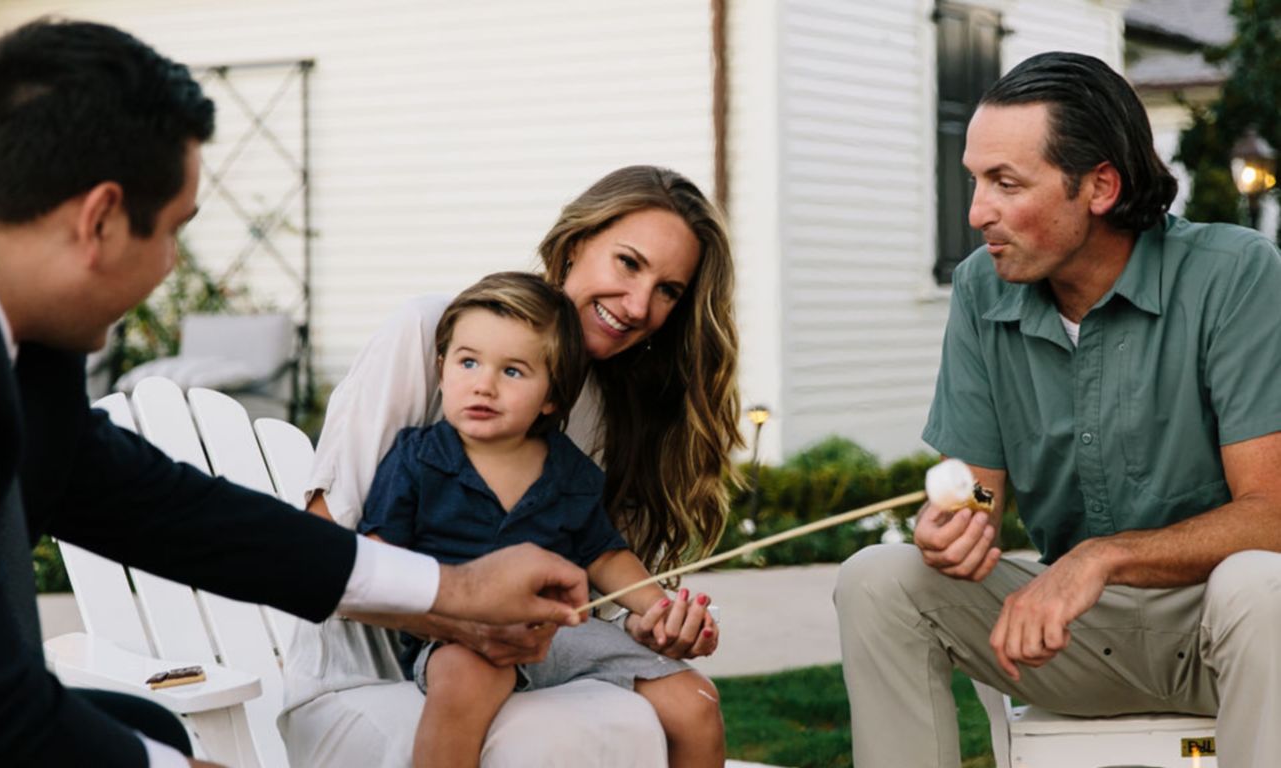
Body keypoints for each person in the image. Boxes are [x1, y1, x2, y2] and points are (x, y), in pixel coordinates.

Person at [0, 19, 594, 768]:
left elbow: (162, 508)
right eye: (174, 232)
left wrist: (450, 588)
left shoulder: (19, 337)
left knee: (152, 727)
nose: (171, 265)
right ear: (100, 220)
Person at [835, 51, 1281, 768]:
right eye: (975, 181)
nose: (978, 211)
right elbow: (978, 484)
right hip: (1064, 637)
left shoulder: (1236, 275)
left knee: (1261, 582)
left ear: (1100, 185)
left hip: (1228, 635)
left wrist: (1102, 559)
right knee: (879, 580)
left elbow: (1273, 512)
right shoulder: (983, 289)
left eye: (1005, 183)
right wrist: (964, 518)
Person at [281, 165, 742, 766]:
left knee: (690, 700)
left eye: (668, 290)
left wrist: (651, 619)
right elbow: (318, 558)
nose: (637, 305)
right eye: (628, 263)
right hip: (366, 673)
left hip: (540, 649)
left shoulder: (603, 413)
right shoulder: (434, 334)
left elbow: (590, 573)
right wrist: (466, 616)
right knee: (534, 725)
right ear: (576, 244)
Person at [360, 272, 722, 767]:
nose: (483, 385)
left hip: (565, 633)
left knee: (696, 702)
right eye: (468, 362)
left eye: (513, 372)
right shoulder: (418, 460)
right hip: (465, 634)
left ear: (552, 395)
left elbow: (605, 553)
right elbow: (379, 557)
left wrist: (657, 609)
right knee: (465, 680)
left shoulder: (568, 469)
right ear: (442, 369)